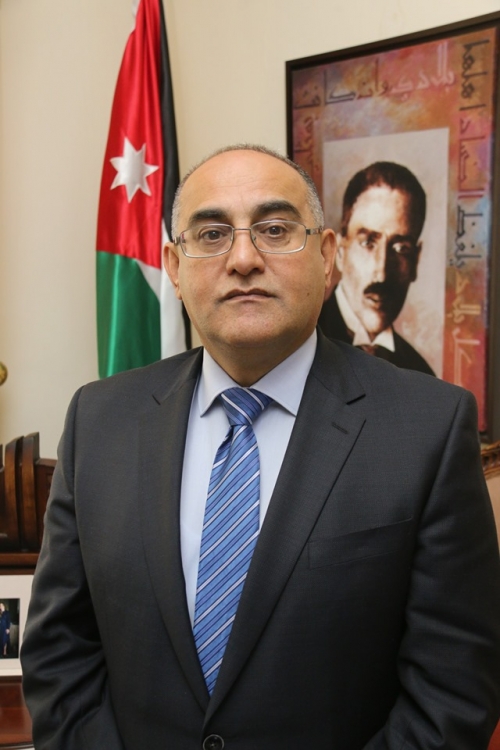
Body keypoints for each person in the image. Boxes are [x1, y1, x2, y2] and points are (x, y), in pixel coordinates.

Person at [21, 145, 500, 750]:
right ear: (174, 267)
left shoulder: (428, 427)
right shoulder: (99, 421)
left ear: (326, 256)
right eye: (211, 234)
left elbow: (453, 691)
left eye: (275, 230)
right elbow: (60, 653)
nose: (244, 259)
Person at [319, 161, 435, 375]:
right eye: (368, 243)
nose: (381, 273)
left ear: (415, 262)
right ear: (339, 252)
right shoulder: (296, 346)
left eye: (401, 248)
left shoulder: (421, 373)